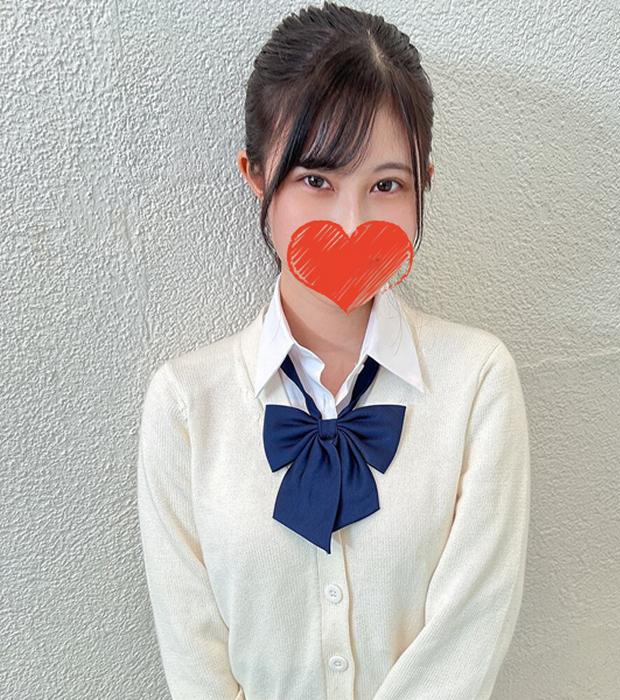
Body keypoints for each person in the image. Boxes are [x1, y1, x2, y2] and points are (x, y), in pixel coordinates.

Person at [136, 3, 531, 699]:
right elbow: (193, 655)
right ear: (257, 175)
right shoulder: (185, 405)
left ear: (423, 182)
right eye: (316, 180)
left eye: (386, 185)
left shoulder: (477, 381)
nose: (352, 222)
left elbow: (471, 632)